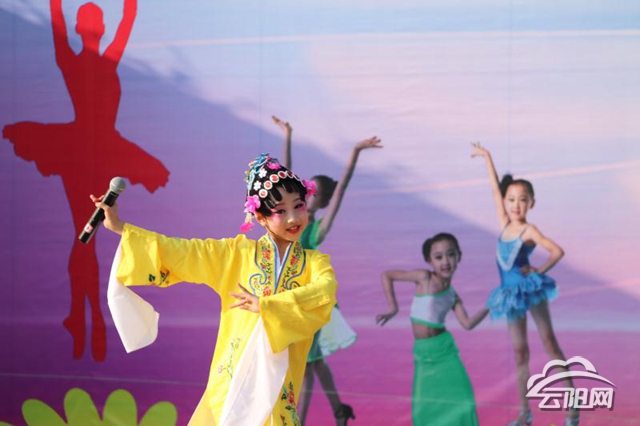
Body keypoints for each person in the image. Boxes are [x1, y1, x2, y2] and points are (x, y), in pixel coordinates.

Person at [94, 153, 337, 426]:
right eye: (280, 211)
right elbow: (183, 252)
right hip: (231, 385)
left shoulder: (314, 263)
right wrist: (120, 227)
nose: (293, 218)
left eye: (299, 206)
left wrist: (267, 306)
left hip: (280, 390)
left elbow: (324, 292)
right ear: (260, 217)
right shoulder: (235, 254)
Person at [2, 0, 169, 361]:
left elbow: (66, 26)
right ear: (97, 28)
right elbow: (126, 18)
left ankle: (82, 313)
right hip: (91, 150)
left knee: (85, 235)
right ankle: (85, 314)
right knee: (85, 234)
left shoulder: (76, 61)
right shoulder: (102, 60)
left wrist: (57, 6)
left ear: (82, 28)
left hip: (87, 150)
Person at [272, 116, 381, 425]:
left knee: (308, 364)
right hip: (288, 296)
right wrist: (288, 135)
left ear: (323, 201)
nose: (308, 195)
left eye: (316, 194)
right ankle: (339, 411)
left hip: (311, 300)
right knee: (315, 361)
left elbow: (341, 190)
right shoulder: (290, 217)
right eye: (308, 190)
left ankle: (300, 421)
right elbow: (285, 176)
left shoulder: (317, 227)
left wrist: (355, 152)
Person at [471, 142, 578, 426]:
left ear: (531, 203)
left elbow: (557, 251)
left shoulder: (530, 230)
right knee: (520, 353)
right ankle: (524, 413)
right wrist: (487, 157)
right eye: (511, 199)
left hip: (529, 289)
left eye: (522, 199)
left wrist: (538, 271)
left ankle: (573, 407)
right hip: (509, 295)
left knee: (549, 343)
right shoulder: (504, 224)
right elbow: (494, 190)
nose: (515, 204)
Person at [376, 233, 488, 426]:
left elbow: (468, 323)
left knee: (463, 401)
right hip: (424, 353)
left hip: (445, 352)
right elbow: (387, 275)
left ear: (459, 256)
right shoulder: (424, 277)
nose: (445, 262)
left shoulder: (452, 295)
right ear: (429, 261)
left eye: (450, 255)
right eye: (438, 257)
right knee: (423, 409)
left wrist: (489, 305)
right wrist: (393, 308)